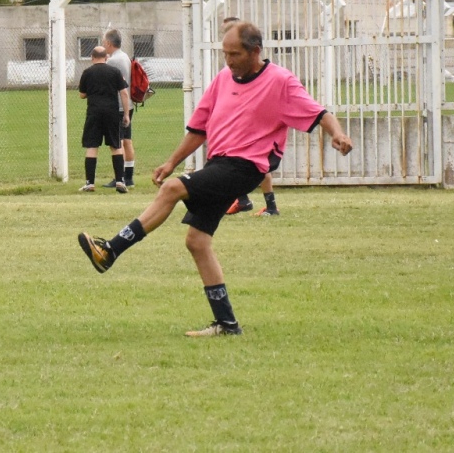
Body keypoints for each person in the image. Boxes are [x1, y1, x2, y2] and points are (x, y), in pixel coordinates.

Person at [77, 22, 353, 336]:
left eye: (235, 54)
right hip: (220, 163)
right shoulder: (223, 79)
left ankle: (110, 251)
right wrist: (170, 162)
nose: (229, 60)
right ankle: (226, 323)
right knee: (197, 241)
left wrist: (339, 134)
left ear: (255, 51)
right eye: (225, 53)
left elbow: (319, 113)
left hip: (246, 166)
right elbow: (199, 128)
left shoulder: (280, 81)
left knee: (173, 189)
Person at [219, 17, 279, 217]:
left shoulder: (259, 71)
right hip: (238, 125)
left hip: (251, 127)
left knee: (255, 163)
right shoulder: (231, 70)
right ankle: (246, 200)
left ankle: (266, 205)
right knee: (242, 160)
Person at [78, 46, 131, 193]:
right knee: (116, 146)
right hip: (112, 113)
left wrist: (94, 91)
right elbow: (124, 93)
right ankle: (120, 181)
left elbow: (82, 95)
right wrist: (126, 114)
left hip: (94, 113)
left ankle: (89, 183)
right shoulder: (114, 72)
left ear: (92, 57)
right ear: (106, 58)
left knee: (92, 146)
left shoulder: (87, 72)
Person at [100, 28, 137, 188]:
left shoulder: (113, 61)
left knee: (117, 142)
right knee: (127, 140)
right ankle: (128, 177)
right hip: (128, 104)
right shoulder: (125, 57)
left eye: (104, 43)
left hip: (119, 106)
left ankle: (119, 177)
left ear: (108, 43)